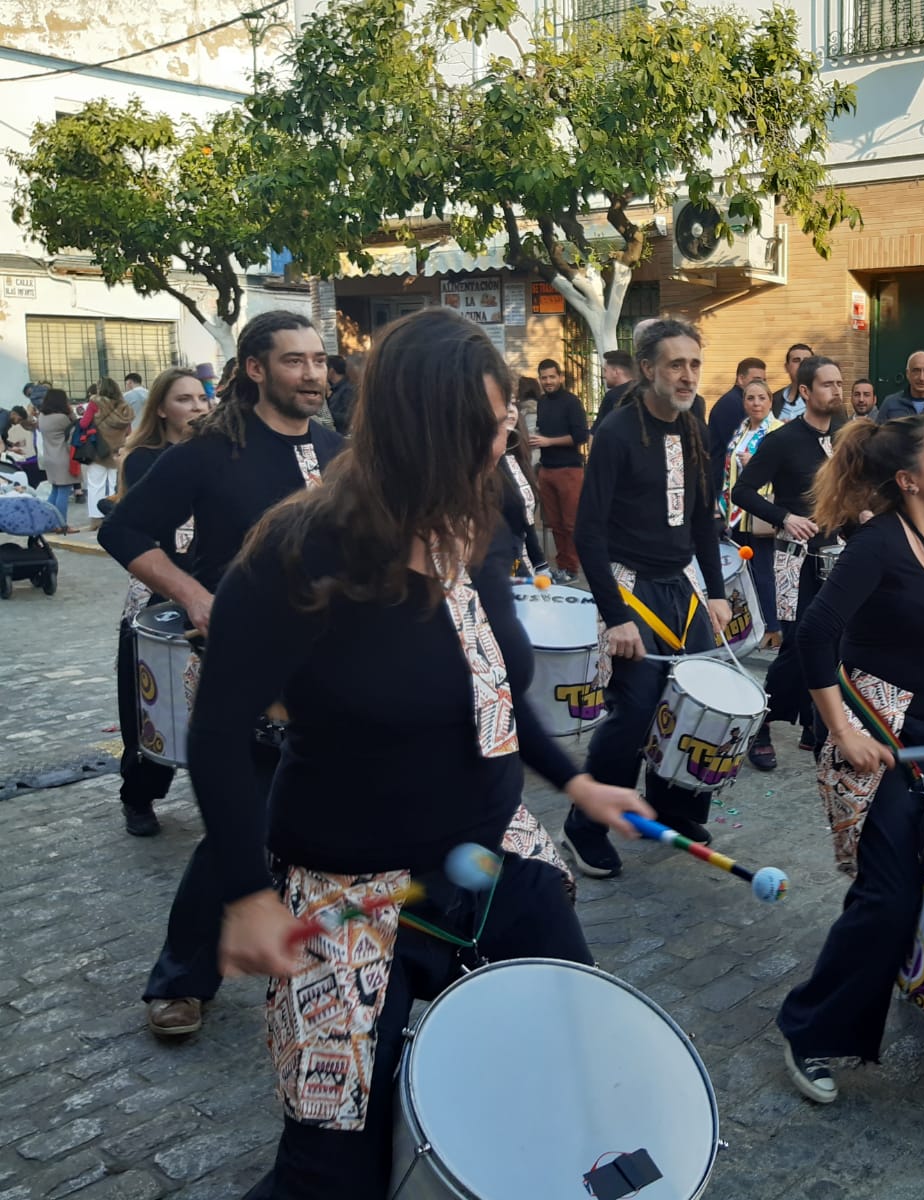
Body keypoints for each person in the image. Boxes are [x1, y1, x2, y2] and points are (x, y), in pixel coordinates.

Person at [190, 308, 648, 1200]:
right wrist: (246, 894)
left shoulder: (473, 525)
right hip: (351, 885)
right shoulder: (298, 552)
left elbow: (494, 687)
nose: (504, 439)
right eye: (490, 423)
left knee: (567, 1059)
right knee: (332, 1167)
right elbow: (216, 731)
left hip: (491, 853)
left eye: (508, 419)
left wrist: (579, 783)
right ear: (427, 429)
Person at [99, 309, 344, 1039]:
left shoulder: (335, 450)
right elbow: (121, 528)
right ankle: (181, 980)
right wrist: (195, 595)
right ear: (256, 369)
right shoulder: (212, 450)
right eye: (294, 361)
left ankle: (337, 957)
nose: (312, 374)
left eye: (319, 360)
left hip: (333, 673)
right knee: (245, 820)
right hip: (249, 673)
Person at [776, 413, 924, 1103]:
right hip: (880, 737)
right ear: (908, 478)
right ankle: (809, 1030)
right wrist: (841, 731)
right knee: (887, 895)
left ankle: (907, 974)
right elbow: (814, 636)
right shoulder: (876, 545)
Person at [564, 319, 731, 878]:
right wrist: (615, 618)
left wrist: (717, 593)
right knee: (635, 711)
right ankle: (585, 826)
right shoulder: (615, 433)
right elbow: (588, 533)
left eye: (694, 364)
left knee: (694, 701)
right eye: (675, 364)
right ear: (647, 369)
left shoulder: (693, 428)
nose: (687, 375)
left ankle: (673, 809)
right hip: (629, 586)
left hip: (680, 583)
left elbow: (704, 520)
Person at [731, 356, 848, 770]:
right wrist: (785, 517)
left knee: (834, 644)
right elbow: (742, 492)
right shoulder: (783, 439)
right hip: (795, 559)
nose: (837, 390)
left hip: (839, 556)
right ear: (805, 391)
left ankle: (816, 723)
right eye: (828, 384)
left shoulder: (845, 435)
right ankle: (762, 723)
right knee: (797, 644)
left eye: (839, 383)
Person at [110, 368, 212, 837]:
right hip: (157, 596)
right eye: (184, 399)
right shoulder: (146, 459)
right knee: (153, 705)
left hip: (210, 593)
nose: (197, 407)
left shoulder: (217, 455)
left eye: (202, 398)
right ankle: (139, 795)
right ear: (163, 409)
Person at [722, 377, 782, 645]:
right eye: (750, 398)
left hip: (762, 514)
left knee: (763, 572)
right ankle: (748, 625)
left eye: (761, 398)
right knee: (743, 572)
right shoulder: (742, 429)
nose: (756, 403)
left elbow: (785, 471)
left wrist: (756, 464)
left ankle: (772, 627)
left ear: (770, 401)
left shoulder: (778, 431)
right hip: (737, 514)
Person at [529, 358, 589, 585]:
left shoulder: (572, 402)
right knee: (554, 524)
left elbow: (581, 436)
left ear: (560, 377)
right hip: (546, 470)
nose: (548, 381)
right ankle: (562, 566)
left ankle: (572, 569)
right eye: (544, 378)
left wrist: (548, 442)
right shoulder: (542, 402)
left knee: (571, 523)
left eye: (552, 377)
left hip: (569, 470)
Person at [498, 393, 550, 579]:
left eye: (513, 403)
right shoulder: (478, 466)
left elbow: (526, 521)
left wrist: (540, 564)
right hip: (494, 569)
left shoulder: (514, 458)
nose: (510, 411)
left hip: (521, 566)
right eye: (503, 403)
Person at [707, 356, 767, 501]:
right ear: (740, 379)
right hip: (725, 481)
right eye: (756, 379)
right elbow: (739, 445)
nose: (761, 384)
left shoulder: (740, 401)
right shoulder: (732, 404)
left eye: (763, 380)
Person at [81, 376, 134, 529]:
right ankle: (111, 514)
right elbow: (129, 430)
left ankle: (96, 518)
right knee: (113, 484)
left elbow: (84, 423)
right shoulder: (124, 405)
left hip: (99, 448)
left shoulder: (95, 403)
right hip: (117, 448)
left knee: (95, 484)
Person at [35, 388, 78, 531]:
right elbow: (76, 427)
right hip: (62, 457)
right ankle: (62, 524)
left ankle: (47, 521)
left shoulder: (42, 416)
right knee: (64, 491)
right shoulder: (62, 418)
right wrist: (71, 412)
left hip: (49, 457)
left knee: (55, 491)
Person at [594, 349, 636, 428]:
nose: (604, 376)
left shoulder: (612, 396)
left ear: (616, 372)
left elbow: (597, 431)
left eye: (605, 371)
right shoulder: (645, 391)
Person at [774, 343, 812, 421]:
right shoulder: (773, 400)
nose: (802, 364)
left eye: (806, 361)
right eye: (796, 361)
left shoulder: (825, 400)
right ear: (786, 367)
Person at [324, 355, 355, 434]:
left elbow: (348, 418)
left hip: (341, 435)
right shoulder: (335, 389)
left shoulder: (347, 390)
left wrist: (328, 415)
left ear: (331, 370)